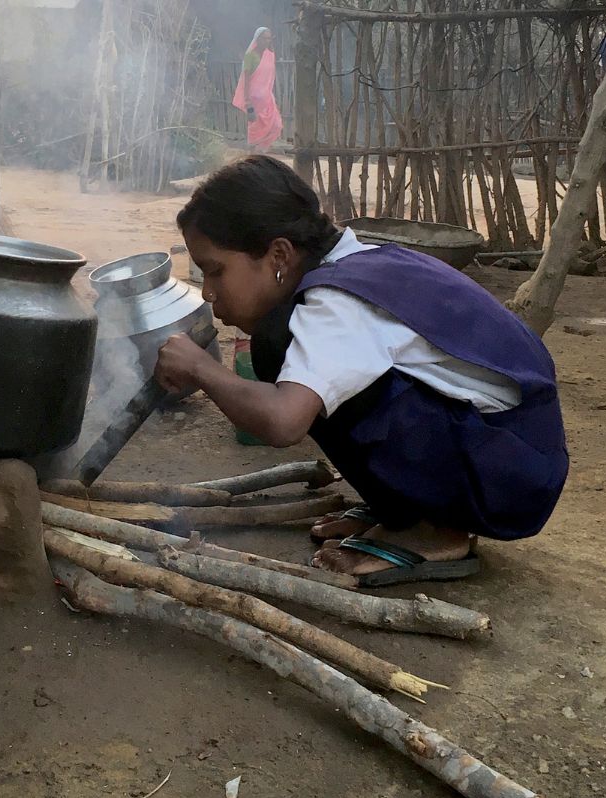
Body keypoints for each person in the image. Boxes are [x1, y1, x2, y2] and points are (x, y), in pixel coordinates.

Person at [154, 156, 569, 586]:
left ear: (279, 253)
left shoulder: (337, 306)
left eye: (215, 270)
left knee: (283, 356)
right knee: (289, 351)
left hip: (509, 480)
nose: (206, 290)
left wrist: (203, 369)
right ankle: (403, 510)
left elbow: (282, 423)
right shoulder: (355, 260)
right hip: (510, 453)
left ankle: (433, 531)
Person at [232, 27, 283, 153]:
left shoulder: (269, 55)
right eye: (264, 38)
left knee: (276, 125)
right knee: (255, 130)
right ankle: (253, 155)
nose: (267, 41)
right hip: (254, 100)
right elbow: (246, 79)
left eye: (269, 39)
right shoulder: (250, 56)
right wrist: (248, 102)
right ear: (257, 39)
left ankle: (261, 152)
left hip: (267, 98)